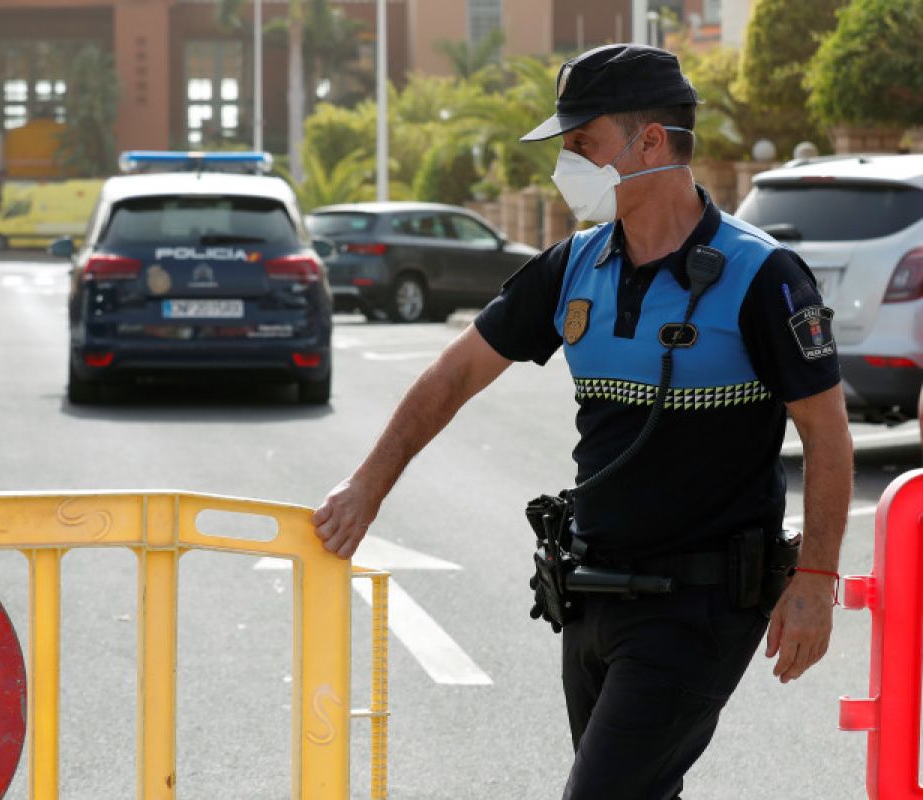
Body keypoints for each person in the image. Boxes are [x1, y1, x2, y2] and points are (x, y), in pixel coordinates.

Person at [312, 44, 854, 799]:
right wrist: (368, 485)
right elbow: (455, 373)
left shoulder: (760, 276)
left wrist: (817, 579)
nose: (566, 165)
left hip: (698, 607)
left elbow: (826, 434)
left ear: (650, 143)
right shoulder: (574, 266)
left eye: (581, 145)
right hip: (592, 594)